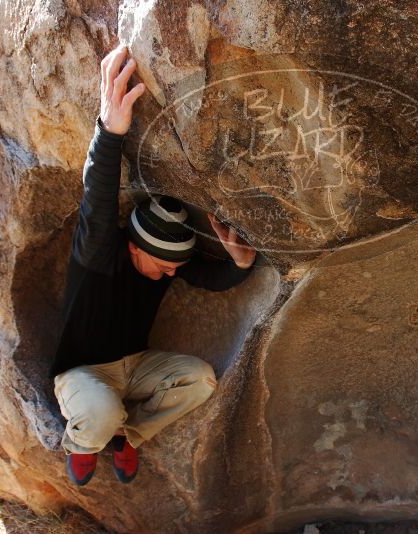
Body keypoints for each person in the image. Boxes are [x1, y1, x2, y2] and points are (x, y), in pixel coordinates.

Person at [49, 44, 257, 486]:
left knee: (200, 380)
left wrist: (239, 265)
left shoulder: (167, 266)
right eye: (163, 265)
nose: (171, 274)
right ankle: (82, 444)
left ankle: (126, 437)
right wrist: (110, 130)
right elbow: (97, 200)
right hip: (82, 374)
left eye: (174, 268)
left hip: (136, 367)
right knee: (99, 411)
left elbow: (209, 278)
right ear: (136, 248)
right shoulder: (98, 256)